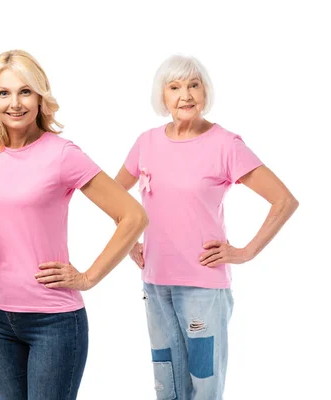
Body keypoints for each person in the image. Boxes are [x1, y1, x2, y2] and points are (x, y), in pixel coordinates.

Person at [0, 50, 148, 400]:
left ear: (40, 97)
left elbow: (134, 215)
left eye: (25, 91)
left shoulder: (62, 154)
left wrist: (88, 277)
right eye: (4, 93)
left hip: (54, 321)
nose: (15, 103)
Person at [115, 54, 299, 400]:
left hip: (203, 285)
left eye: (193, 85)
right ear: (163, 96)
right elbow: (112, 196)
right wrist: (129, 245)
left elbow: (284, 200)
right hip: (155, 282)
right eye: (175, 87)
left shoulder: (225, 144)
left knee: (204, 383)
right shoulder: (147, 142)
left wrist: (244, 252)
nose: (185, 95)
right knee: (166, 381)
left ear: (205, 91)